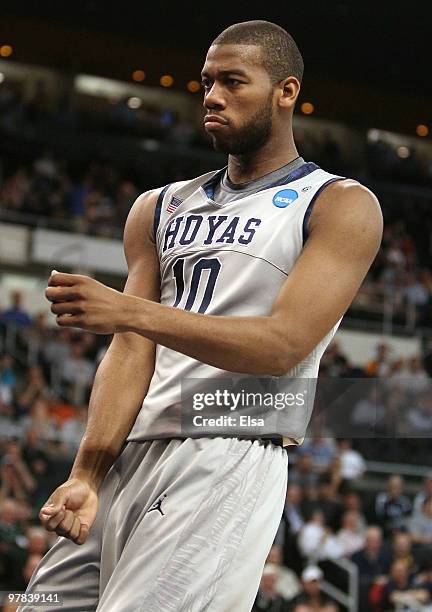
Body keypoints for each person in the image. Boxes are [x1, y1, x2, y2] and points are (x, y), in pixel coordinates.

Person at [21, 20, 382, 612]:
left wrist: (131, 311)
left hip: (228, 447)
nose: (212, 96)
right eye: (207, 82)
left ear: (285, 92)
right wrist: (87, 472)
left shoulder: (340, 203)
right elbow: (131, 347)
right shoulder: (158, 206)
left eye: (233, 82)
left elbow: (281, 344)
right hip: (127, 451)